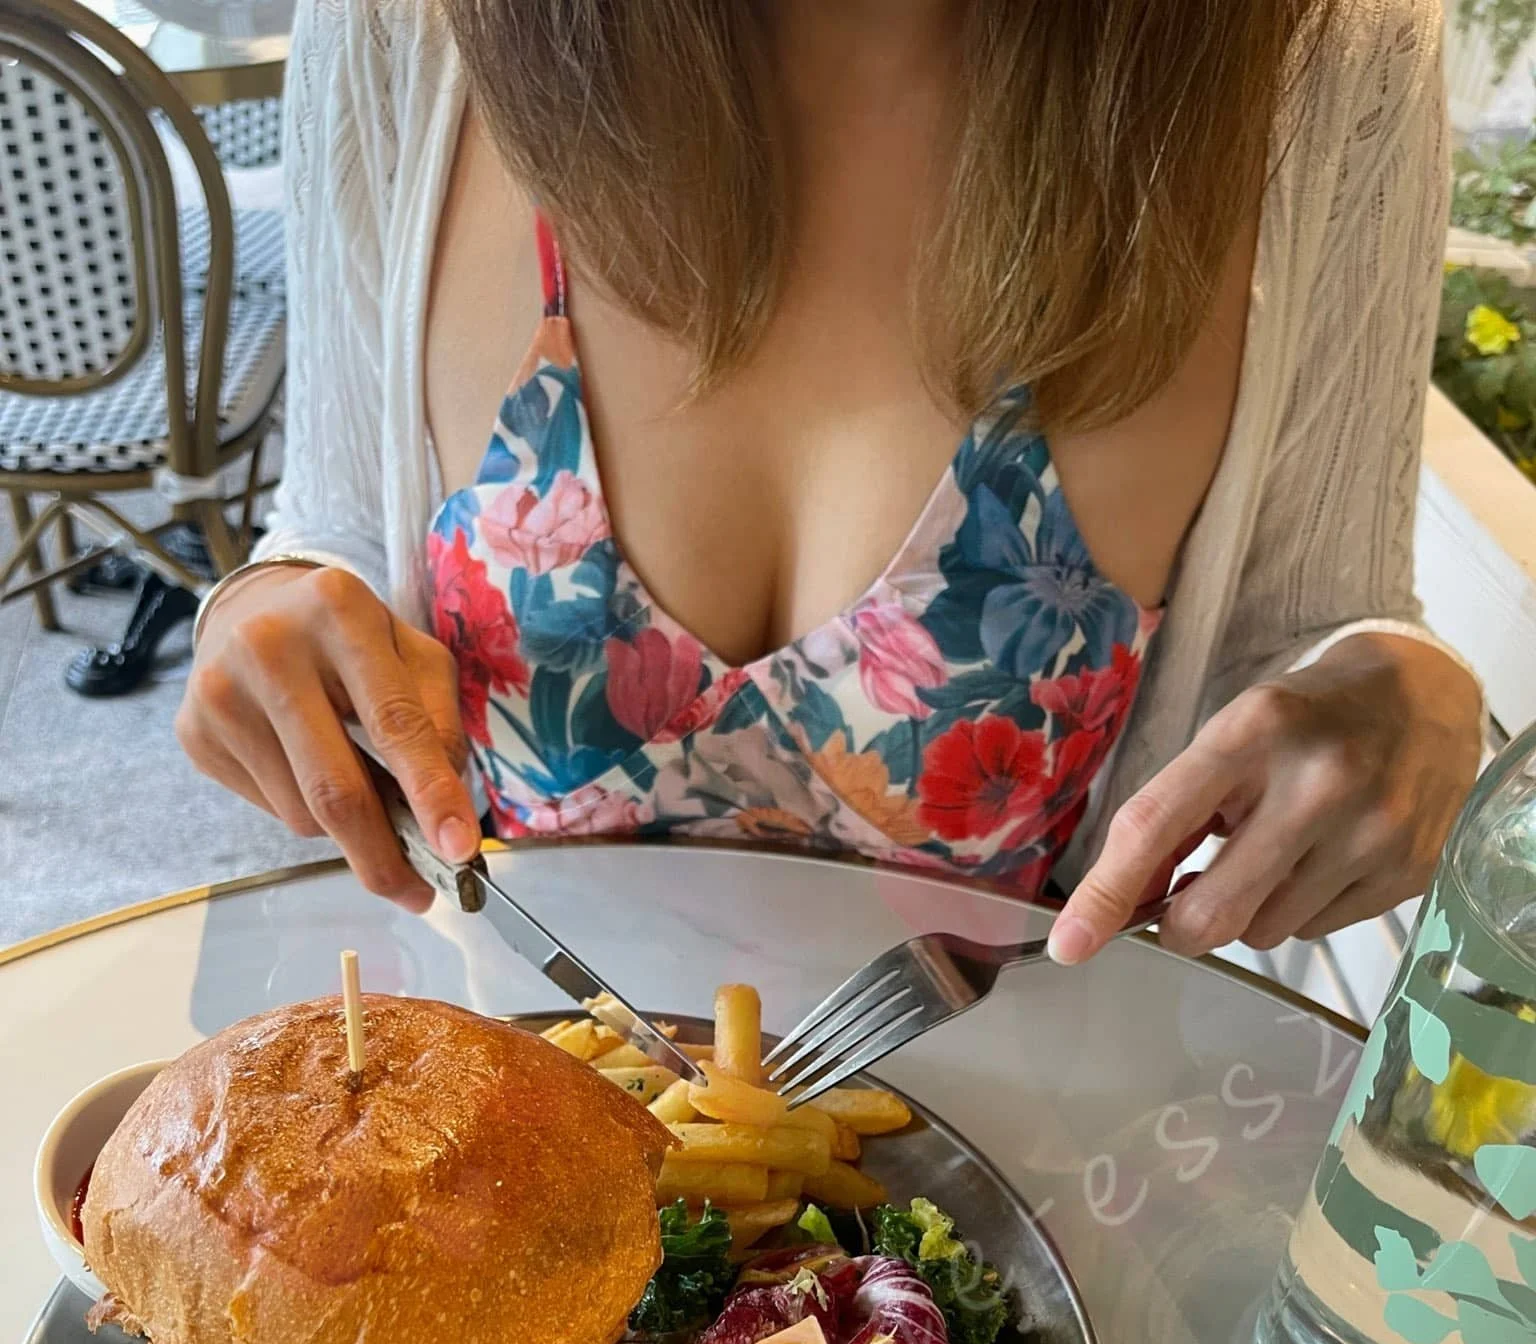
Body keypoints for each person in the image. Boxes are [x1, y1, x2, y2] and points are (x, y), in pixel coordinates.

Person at [178, 0, 1484, 964]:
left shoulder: (1329, 54)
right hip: (508, 1138)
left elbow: (1322, 627)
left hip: (1012, 1218)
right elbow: (337, 526)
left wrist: (1399, 693)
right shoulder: (404, 29)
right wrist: (268, 603)